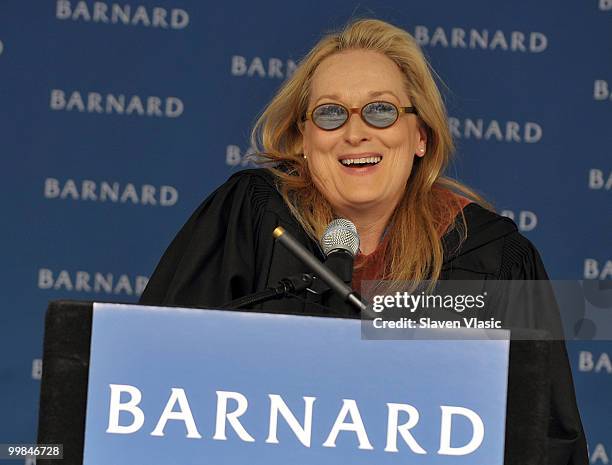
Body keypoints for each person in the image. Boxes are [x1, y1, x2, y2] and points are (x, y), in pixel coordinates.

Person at [139, 19, 587, 464]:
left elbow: (544, 444)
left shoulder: (491, 257)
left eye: (381, 110)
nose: (355, 133)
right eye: (331, 113)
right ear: (303, 139)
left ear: (420, 136)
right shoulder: (251, 218)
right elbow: (152, 382)